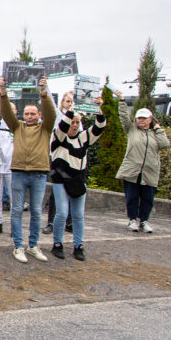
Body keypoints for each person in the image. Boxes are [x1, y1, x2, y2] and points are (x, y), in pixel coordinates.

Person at [0, 76, 56, 263]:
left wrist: (44, 93)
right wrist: (3, 93)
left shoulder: (45, 127)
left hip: (39, 173)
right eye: (27, 113)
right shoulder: (17, 127)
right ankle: (18, 246)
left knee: (36, 211)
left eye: (33, 113)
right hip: (19, 173)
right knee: (16, 210)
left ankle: (33, 245)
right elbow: (7, 113)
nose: (29, 116)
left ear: (39, 115)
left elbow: (51, 113)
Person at [51, 99, 105, 260]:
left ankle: (78, 246)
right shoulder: (58, 137)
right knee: (62, 213)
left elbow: (99, 127)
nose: (74, 125)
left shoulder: (84, 137)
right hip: (61, 180)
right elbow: (63, 126)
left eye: (77, 122)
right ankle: (57, 244)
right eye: (72, 122)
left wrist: (98, 109)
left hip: (78, 180)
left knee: (78, 215)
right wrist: (71, 111)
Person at [115, 95, 170, 233]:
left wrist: (158, 129)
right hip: (132, 169)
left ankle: (144, 221)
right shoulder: (131, 129)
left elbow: (164, 144)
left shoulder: (155, 132)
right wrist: (122, 101)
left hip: (150, 171)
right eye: (139, 118)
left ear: (150, 119)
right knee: (132, 197)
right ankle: (132, 220)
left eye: (144, 118)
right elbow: (123, 117)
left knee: (148, 198)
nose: (141, 120)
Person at [44, 91, 76, 234]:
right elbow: (50, 101)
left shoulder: (77, 119)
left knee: (72, 189)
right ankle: (51, 222)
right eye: (67, 101)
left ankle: (69, 222)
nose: (69, 104)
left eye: (72, 101)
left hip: (72, 159)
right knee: (56, 190)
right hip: (58, 158)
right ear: (62, 102)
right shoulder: (58, 116)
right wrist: (45, 87)